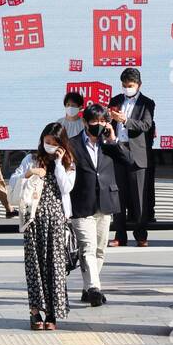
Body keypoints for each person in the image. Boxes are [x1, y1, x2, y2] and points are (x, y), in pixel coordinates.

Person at [9, 123, 76, 330]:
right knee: (34, 266)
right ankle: (35, 311)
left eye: (54, 143)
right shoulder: (30, 159)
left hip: (56, 219)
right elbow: (13, 181)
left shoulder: (68, 162)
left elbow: (67, 188)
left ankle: (53, 313)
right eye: (47, 142)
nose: (49, 146)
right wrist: (29, 173)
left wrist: (57, 164)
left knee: (55, 267)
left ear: (62, 145)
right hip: (33, 219)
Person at [68, 103, 130, 306]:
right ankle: (95, 288)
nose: (99, 125)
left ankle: (87, 289)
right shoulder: (72, 144)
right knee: (88, 247)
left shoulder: (109, 143)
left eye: (103, 121)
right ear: (85, 122)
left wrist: (113, 139)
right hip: (81, 203)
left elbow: (128, 162)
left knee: (100, 250)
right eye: (95, 121)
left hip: (105, 202)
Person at [109, 68, 155, 248]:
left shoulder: (147, 103)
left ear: (138, 85)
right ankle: (120, 235)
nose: (127, 88)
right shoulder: (115, 100)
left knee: (139, 197)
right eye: (124, 85)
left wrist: (125, 120)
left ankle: (141, 234)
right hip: (118, 149)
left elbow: (146, 124)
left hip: (137, 152)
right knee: (118, 195)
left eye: (130, 85)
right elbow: (107, 121)